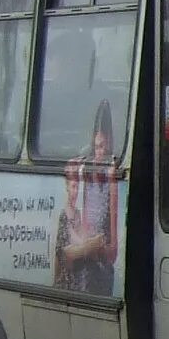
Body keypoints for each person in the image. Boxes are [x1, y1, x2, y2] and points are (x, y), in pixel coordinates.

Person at [55, 101, 122, 295]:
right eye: (96, 147)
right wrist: (89, 246)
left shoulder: (111, 179)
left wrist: (98, 247)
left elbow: (113, 251)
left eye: (104, 147)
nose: (100, 152)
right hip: (83, 270)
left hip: (101, 270)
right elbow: (66, 255)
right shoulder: (85, 178)